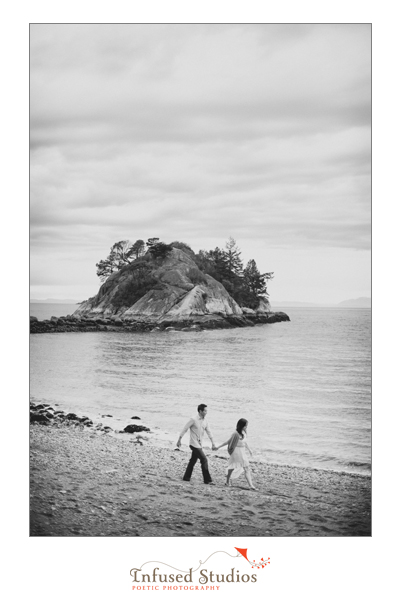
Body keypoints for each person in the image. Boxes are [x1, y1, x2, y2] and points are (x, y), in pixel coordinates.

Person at [176, 404, 217, 485]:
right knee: (204, 459)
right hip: (193, 444)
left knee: (193, 461)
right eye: (205, 411)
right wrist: (179, 439)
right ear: (200, 411)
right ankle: (207, 480)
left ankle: (186, 477)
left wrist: (213, 443)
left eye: (206, 411)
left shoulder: (205, 421)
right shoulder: (193, 419)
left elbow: (209, 432)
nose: (206, 412)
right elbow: (185, 428)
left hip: (200, 444)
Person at [216, 418, 256, 490]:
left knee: (245, 467)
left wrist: (250, 450)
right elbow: (228, 442)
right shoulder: (235, 434)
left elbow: (245, 442)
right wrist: (218, 447)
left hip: (242, 451)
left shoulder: (244, 432)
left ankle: (250, 485)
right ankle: (228, 481)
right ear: (241, 425)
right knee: (234, 466)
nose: (246, 427)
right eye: (245, 426)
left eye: (246, 426)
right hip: (236, 452)